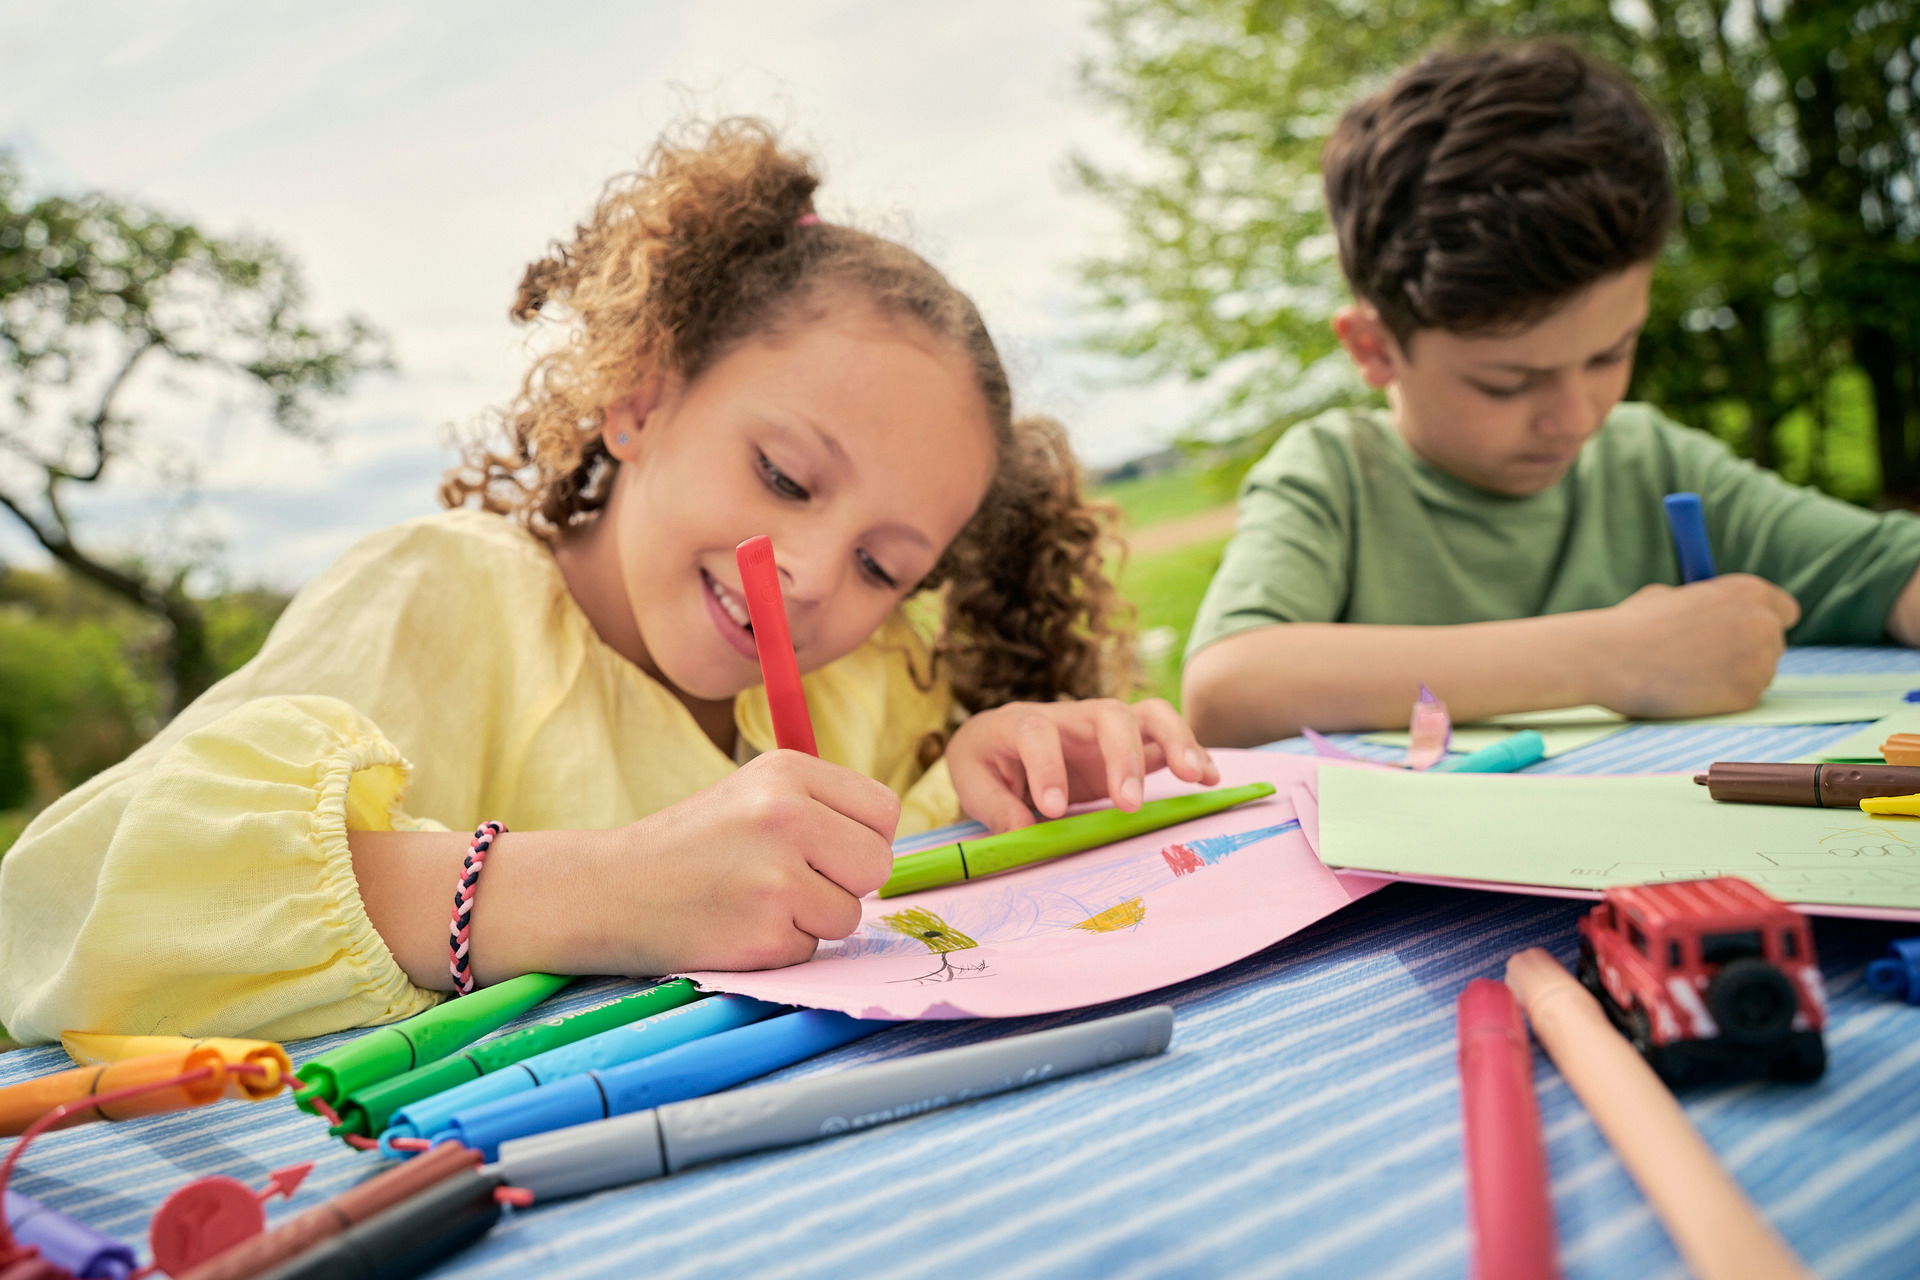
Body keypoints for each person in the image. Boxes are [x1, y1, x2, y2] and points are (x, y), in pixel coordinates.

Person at [0, 120, 1216, 1044]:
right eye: (786, 477)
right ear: (641, 395)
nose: (807, 576)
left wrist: (993, 772)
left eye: (885, 564)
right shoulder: (444, 600)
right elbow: (71, 905)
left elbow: (889, 875)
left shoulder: (866, 676)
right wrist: (604, 887)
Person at [1183, 40, 1920, 748]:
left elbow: (1895, 570)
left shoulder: (1651, 461)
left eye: (1611, 353)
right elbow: (1228, 687)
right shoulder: (1335, 479)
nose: (1575, 419)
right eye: (1508, 382)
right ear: (1374, 348)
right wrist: (1612, 657)